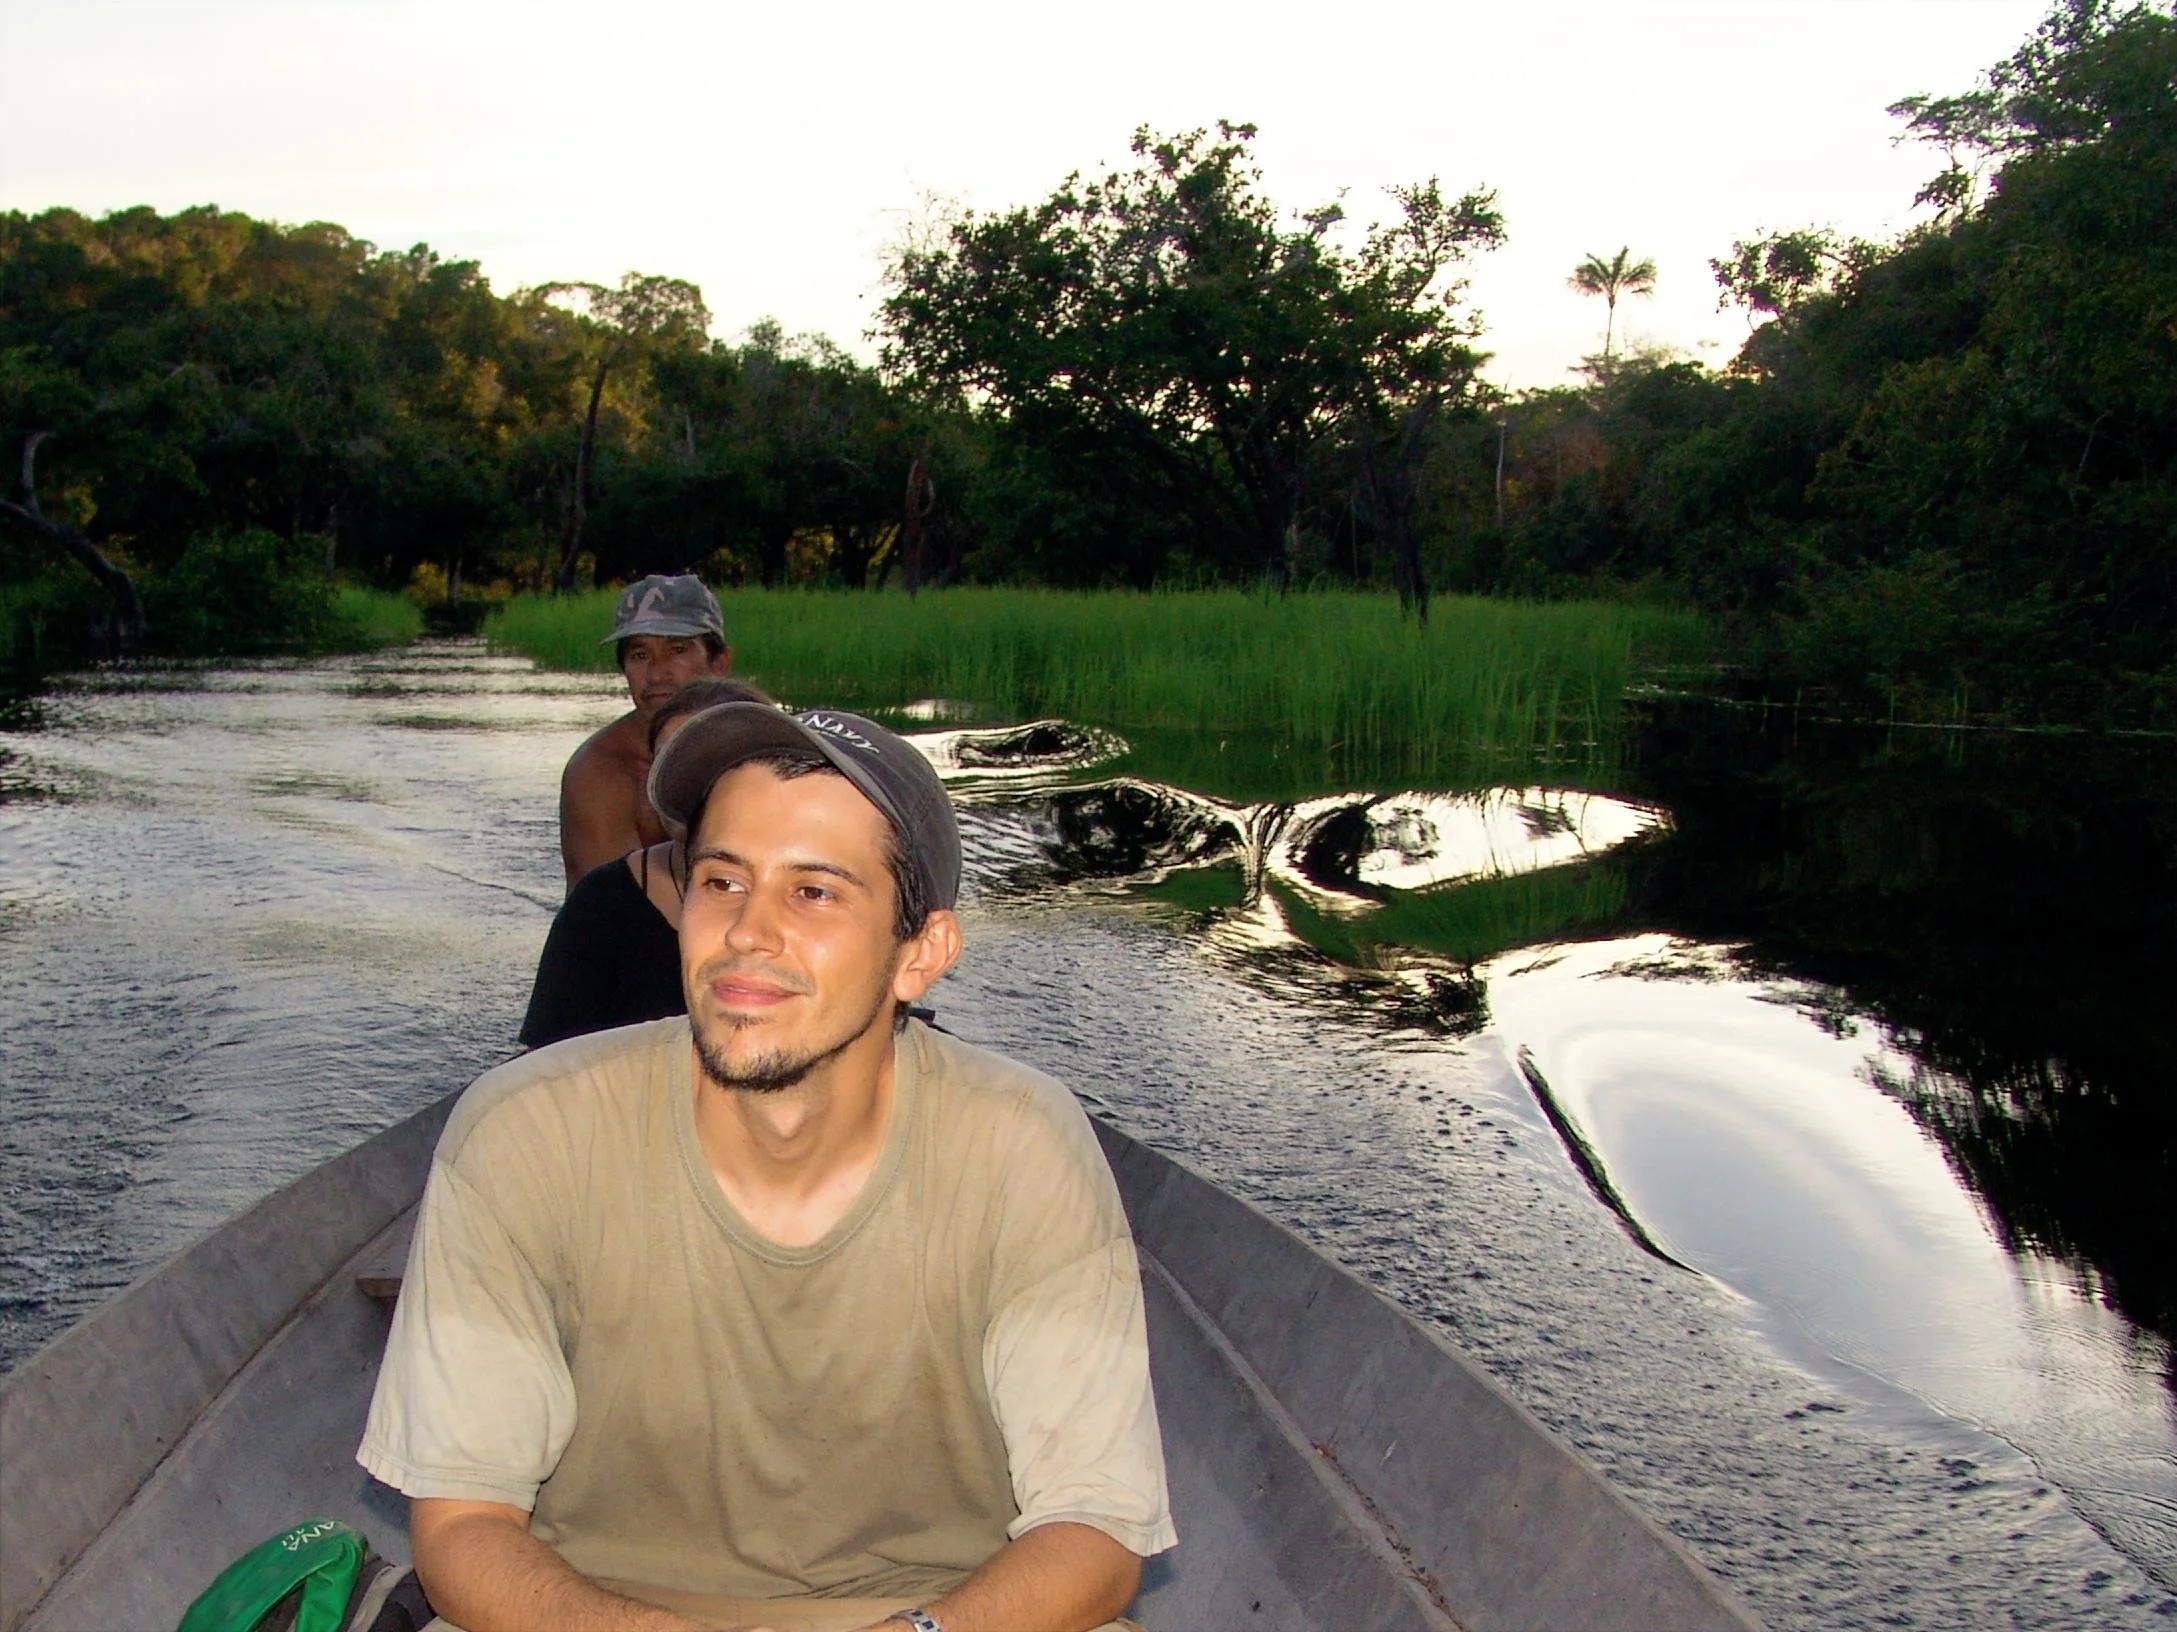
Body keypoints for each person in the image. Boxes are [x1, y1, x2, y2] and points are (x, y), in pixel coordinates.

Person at [360, 703, 1174, 1632]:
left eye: (814, 892)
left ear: (921, 954)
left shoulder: (1023, 1144)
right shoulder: (524, 1132)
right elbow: (464, 1527)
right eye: (721, 881)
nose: (748, 932)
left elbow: (1095, 1531)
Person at [520, 677, 777, 1051]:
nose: (685, 782)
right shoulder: (601, 903)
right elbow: (547, 1060)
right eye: (669, 763)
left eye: (712, 763)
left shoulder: (821, 899)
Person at [561, 574, 734, 890]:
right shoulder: (600, 771)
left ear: (719, 663)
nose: (656, 673)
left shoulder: (756, 752)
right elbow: (614, 914)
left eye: (678, 650)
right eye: (640, 655)